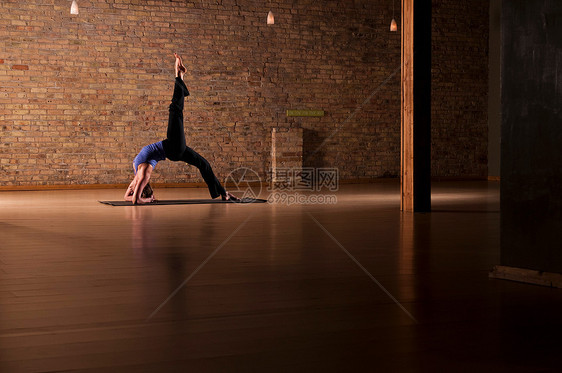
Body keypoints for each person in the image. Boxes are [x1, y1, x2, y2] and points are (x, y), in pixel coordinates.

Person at [124, 53, 238, 204]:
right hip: (171, 146)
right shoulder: (143, 174)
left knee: (203, 164)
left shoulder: (136, 179)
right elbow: (135, 201)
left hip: (175, 149)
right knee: (175, 110)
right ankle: (178, 76)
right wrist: (147, 199)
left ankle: (224, 193)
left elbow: (126, 197)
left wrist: (140, 195)